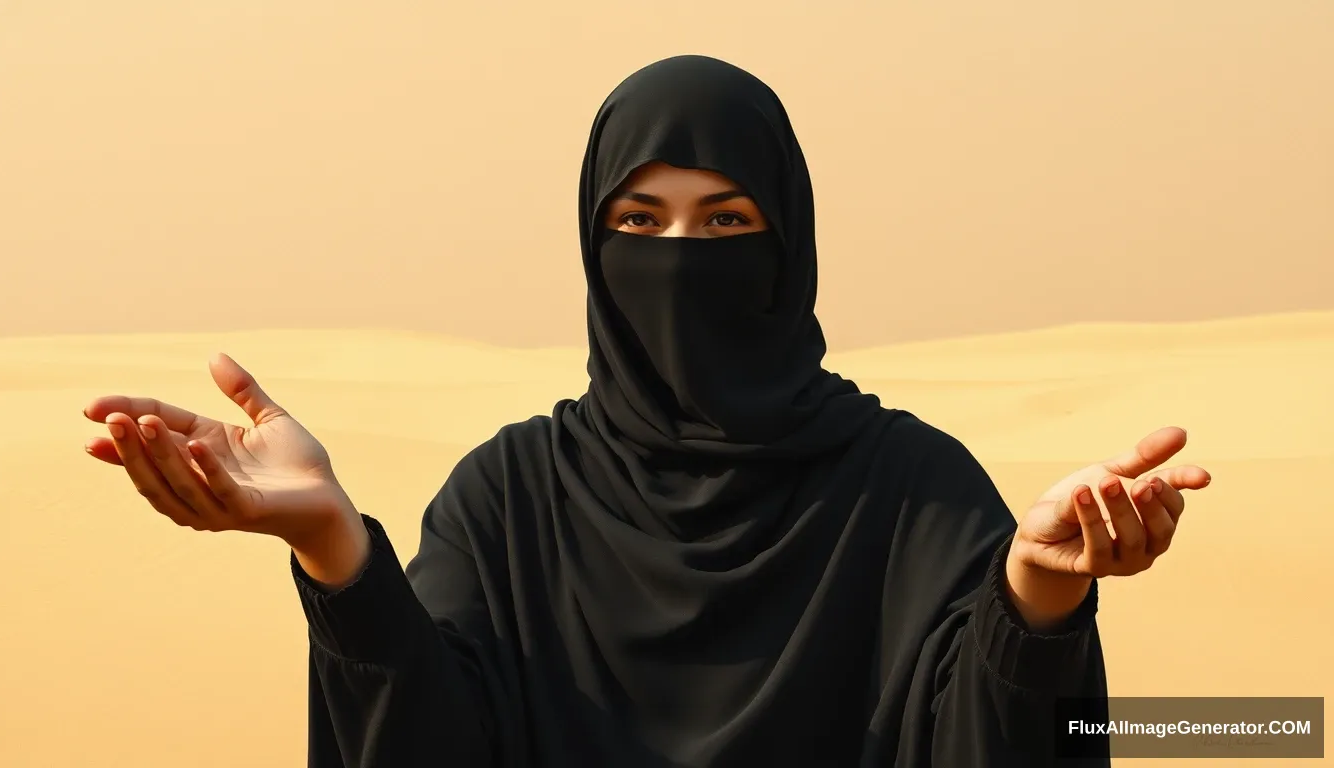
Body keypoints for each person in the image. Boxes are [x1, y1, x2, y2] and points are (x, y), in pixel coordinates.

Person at [82, 55, 1211, 767]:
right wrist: (336, 550)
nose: (680, 258)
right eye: (640, 223)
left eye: (726, 224)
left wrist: (1039, 597)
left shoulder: (909, 489)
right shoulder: (510, 499)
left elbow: (1004, 740)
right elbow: (434, 744)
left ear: (792, 245)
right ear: (591, 245)